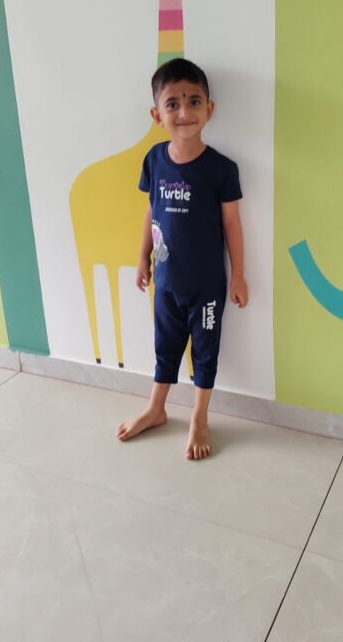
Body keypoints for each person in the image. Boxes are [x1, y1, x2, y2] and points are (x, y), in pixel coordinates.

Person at [117, 58, 248, 459]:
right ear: (157, 115)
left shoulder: (221, 169)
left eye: (194, 101)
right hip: (166, 283)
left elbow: (232, 224)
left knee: (205, 352)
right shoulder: (154, 160)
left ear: (209, 109)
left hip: (207, 287)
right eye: (172, 104)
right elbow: (151, 211)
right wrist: (142, 258)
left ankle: (199, 417)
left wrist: (238, 275)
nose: (184, 112)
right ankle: (156, 408)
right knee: (166, 346)